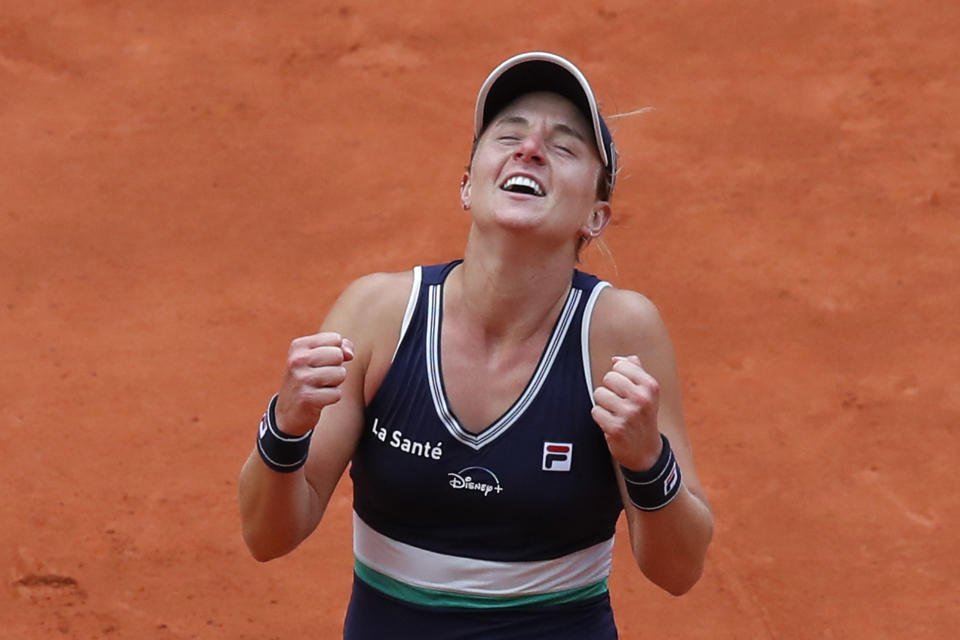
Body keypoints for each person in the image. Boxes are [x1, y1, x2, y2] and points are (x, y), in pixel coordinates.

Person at [238, 51, 713, 639]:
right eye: (508, 135)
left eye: (563, 147)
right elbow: (266, 535)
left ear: (595, 216)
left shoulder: (617, 333)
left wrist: (647, 461)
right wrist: (284, 427)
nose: (530, 149)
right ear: (466, 186)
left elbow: (680, 569)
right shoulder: (379, 314)